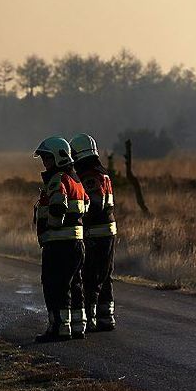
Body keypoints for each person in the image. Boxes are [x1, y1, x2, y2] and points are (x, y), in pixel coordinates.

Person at [33, 136, 89, 342]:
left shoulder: (58, 180)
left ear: (58, 157)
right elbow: (87, 205)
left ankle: (58, 328)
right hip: (76, 244)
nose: (44, 163)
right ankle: (77, 326)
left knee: (55, 285)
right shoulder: (76, 181)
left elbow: (58, 206)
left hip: (58, 244)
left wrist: (52, 226)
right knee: (74, 285)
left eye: (46, 158)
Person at [71, 134, 117, 331]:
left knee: (90, 276)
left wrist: (77, 216)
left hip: (95, 234)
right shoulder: (103, 173)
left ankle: (89, 320)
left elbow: (95, 204)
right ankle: (106, 318)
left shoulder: (89, 175)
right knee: (105, 275)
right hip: (108, 231)